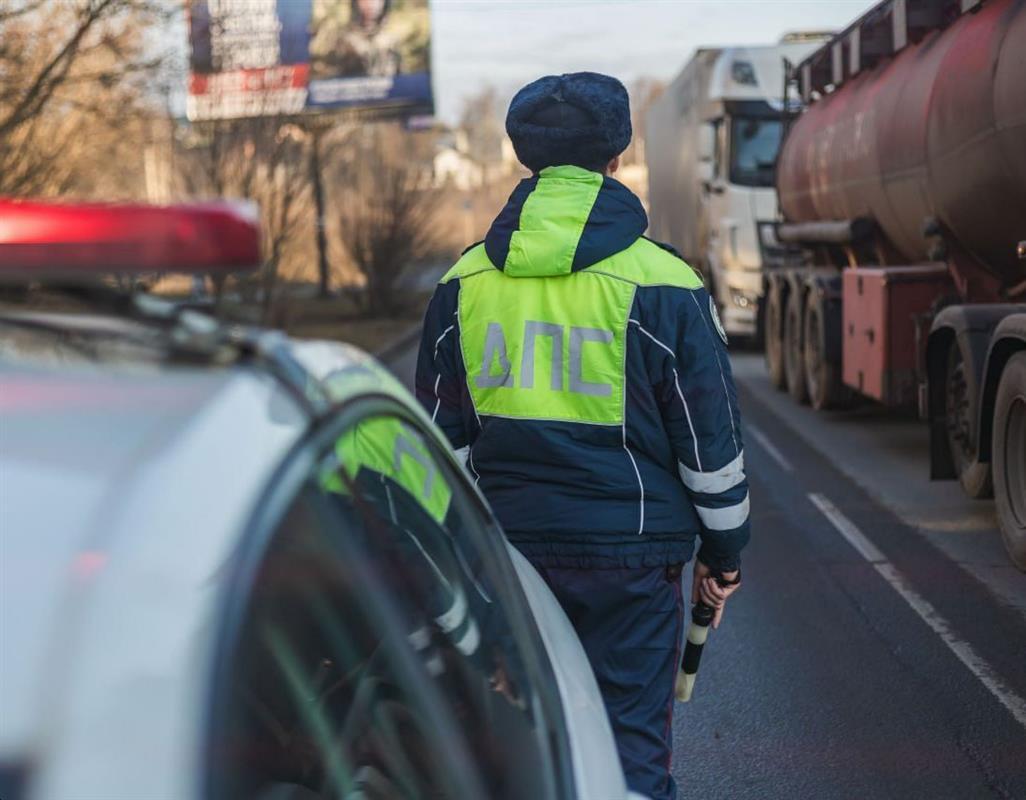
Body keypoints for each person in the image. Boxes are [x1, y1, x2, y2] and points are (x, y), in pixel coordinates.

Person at [416, 71, 749, 800]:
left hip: (510, 561)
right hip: (636, 561)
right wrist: (722, 555)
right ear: (618, 158)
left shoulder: (462, 284)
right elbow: (709, 449)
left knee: (523, 752)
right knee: (630, 753)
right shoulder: (665, 285)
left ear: (523, 158)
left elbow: (440, 454)